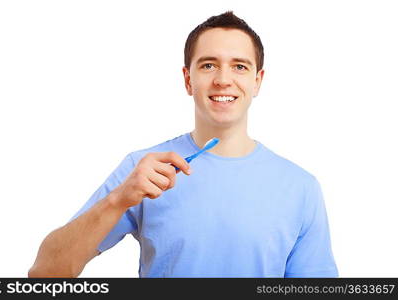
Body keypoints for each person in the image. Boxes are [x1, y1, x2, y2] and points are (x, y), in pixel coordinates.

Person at [28, 11, 338, 278]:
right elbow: (44, 273)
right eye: (208, 65)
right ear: (188, 79)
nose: (223, 79)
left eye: (239, 66)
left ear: (258, 81)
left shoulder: (301, 188)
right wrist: (119, 199)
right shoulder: (143, 169)